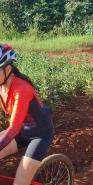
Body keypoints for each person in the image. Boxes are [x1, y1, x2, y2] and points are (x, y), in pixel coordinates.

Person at [0, 44, 54, 185]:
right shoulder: (1, 87)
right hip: (21, 131)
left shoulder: (22, 89)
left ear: (8, 69)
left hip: (39, 135)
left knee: (20, 182)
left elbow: (13, 129)